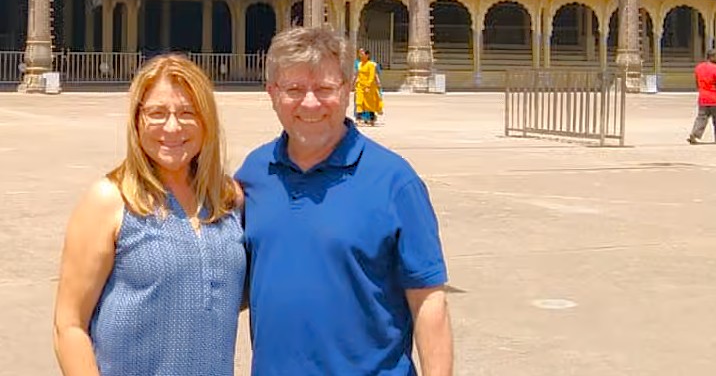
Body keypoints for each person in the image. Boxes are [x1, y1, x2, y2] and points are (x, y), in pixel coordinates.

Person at [236, 27, 453, 375]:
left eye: (324, 89)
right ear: (272, 92)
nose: (310, 103)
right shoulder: (255, 174)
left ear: (347, 90)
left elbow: (427, 300)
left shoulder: (394, 181)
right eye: (294, 89)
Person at [53, 55, 244, 376]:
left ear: (207, 120)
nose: (172, 127)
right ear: (137, 120)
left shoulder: (227, 200)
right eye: (157, 113)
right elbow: (69, 324)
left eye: (187, 113)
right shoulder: (112, 200)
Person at [689, 49, 716, 145]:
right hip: (715, 97)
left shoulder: (699, 67)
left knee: (701, 117)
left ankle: (695, 133)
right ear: (711, 57)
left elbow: (697, 82)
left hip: (703, 97)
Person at [354, 47, 384, 126]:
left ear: (367, 55)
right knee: (359, 102)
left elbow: (371, 76)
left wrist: (368, 85)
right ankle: (359, 118)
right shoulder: (359, 64)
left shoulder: (371, 64)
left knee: (369, 103)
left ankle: (371, 118)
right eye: (359, 54)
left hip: (369, 86)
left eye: (362, 54)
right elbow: (358, 74)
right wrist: (355, 82)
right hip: (360, 85)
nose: (360, 55)